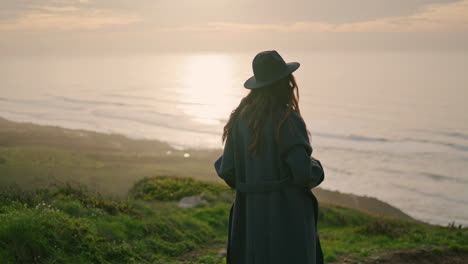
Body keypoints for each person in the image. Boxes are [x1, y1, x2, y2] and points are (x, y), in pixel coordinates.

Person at [214, 50, 325, 264]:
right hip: (287, 213)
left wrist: (252, 187)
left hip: (248, 215)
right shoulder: (287, 120)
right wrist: (317, 168)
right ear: (285, 83)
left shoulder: (239, 119)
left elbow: (227, 169)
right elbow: (303, 173)